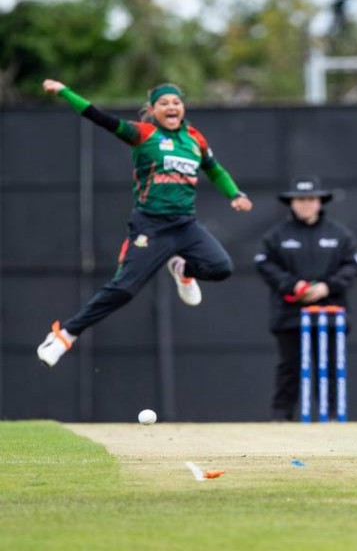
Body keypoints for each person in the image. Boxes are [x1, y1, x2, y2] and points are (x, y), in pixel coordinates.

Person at [36, 79, 253, 367]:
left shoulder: (195, 139)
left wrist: (234, 194)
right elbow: (100, 117)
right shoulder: (144, 134)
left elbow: (215, 170)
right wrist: (65, 92)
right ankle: (64, 335)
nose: (171, 107)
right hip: (150, 227)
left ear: (182, 107)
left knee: (220, 267)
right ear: (152, 110)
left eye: (176, 102)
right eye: (163, 103)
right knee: (123, 289)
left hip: (185, 226)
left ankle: (182, 268)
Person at [255, 177, 357, 421]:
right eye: (300, 200)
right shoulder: (277, 236)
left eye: (310, 199)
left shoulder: (339, 234)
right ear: (291, 203)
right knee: (289, 367)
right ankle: (281, 417)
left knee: (331, 367)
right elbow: (265, 264)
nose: (305, 204)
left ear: (319, 202)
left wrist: (327, 286)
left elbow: (353, 264)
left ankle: (334, 415)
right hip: (290, 314)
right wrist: (294, 285)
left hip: (331, 313)